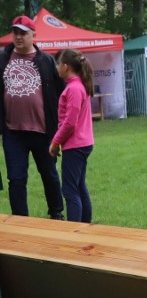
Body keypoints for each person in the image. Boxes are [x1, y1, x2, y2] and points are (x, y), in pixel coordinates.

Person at [0, 15, 65, 219]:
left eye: (23, 33)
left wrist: (60, 127)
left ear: (33, 35)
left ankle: (56, 215)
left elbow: (61, 93)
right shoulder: (2, 58)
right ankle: (20, 220)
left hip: (42, 130)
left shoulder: (46, 60)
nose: (19, 37)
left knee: (50, 175)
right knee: (16, 179)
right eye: (16, 33)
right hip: (13, 131)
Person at [48, 49, 94, 223]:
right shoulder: (77, 85)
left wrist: (55, 142)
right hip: (81, 143)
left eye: (58, 64)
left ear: (65, 67)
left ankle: (74, 232)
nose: (57, 67)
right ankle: (85, 226)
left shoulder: (74, 88)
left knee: (69, 191)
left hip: (76, 145)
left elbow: (70, 122)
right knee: (79, 186)